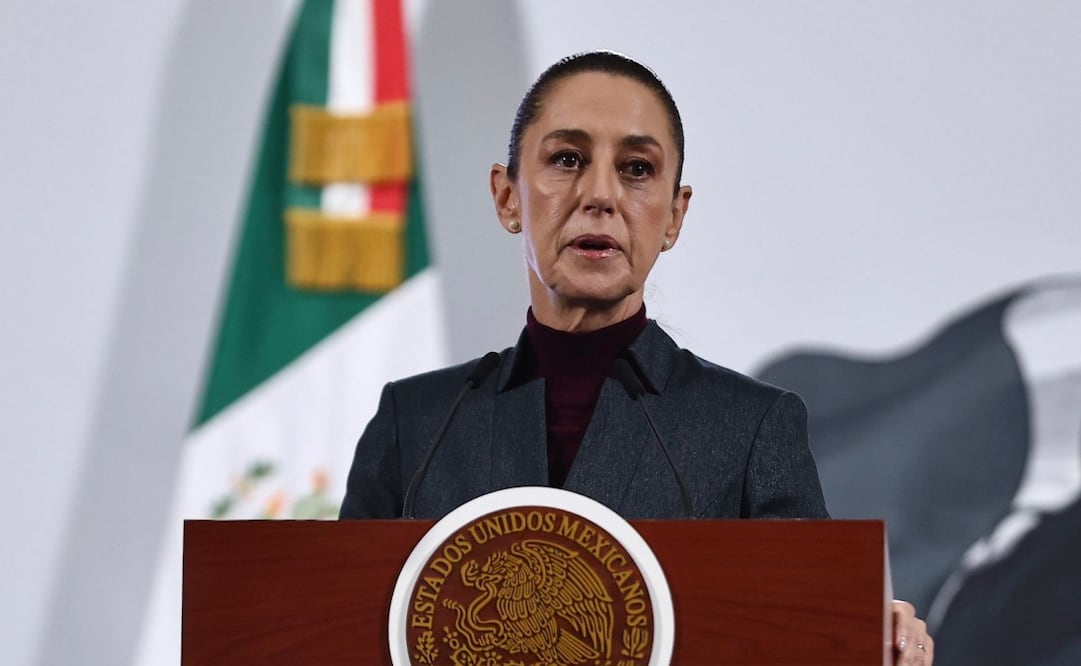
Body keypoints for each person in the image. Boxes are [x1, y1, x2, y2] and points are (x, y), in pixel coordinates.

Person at [339, 50, 933, 664]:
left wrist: (870, 636)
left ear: (674, 216)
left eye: (637, 169)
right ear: (507, 196)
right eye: (567, 159)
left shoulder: (750, 430)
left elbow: (809, 631)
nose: (600, 195)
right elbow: (331, 629)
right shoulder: (415, 426)